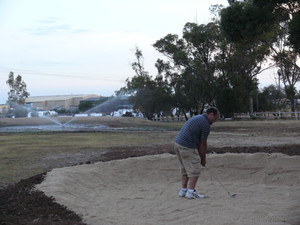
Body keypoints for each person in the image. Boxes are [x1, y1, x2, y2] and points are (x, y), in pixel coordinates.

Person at [174, 107, 220, 199]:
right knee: (195, 169)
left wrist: (201, 157)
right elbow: (203, 144)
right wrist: (202, 159)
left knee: (185, 168)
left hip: (177, 144)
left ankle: (183, 190)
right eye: (215, 118)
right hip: (186, 146)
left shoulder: (198, 117)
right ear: (211, 115)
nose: (215, 121)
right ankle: (191, 191)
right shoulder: (205, 124)